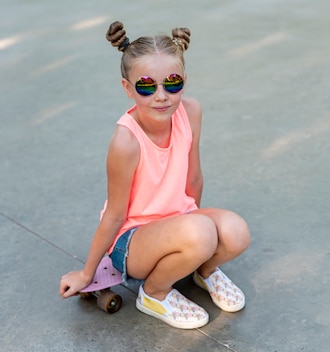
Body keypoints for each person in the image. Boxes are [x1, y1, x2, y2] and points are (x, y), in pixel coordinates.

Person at [59, 21, 251, 329]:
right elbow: (114, 215)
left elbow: (194, 178)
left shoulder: (191, 111)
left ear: (184, 81)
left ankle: (203, 270)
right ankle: (154, 292)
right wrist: (86, 273)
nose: (161, 96)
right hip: (133, 240)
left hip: (177, 221)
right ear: (127, 88)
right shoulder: (126, 141)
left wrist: (193, 232)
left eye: (171, 82)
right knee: (201, 233)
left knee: (236, 231)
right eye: (147, 86)